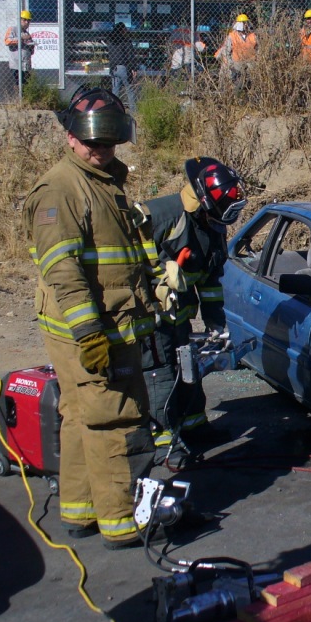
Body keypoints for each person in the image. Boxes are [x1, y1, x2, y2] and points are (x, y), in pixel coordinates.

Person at [23, 87, 157, 549]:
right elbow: (62, 271)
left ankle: (79, 511)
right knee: (112, 415)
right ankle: (120, 520)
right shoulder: (60, 190)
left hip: (107, 321)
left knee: (80, 414)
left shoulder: (103, 182)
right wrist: (89, 334)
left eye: (110, 142)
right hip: (91, 328)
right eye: (94, 143)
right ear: (71, 137)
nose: (103, 151)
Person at [133, 157, 247, 460]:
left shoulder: (214, 223)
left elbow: (210, 279)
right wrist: (160, 276)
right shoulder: (160, 216)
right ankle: (164, 444)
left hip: (179, 316)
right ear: (203, 199)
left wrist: (215, 326)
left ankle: (195, 426)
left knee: (187, 366)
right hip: (151, 318)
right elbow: (126, 263)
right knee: (161, 374)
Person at [214, 14, 258, 88]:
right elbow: (225, 52)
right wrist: (231, 65)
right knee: (235, 85)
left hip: (250, 64)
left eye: (246, 23)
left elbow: (258, 49)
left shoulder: (253, 35)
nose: (246, 25)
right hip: (236, 64)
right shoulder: (232, 36)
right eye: (244, 23)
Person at [107, 23, 137, 110]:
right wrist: (133, 68)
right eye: (125, 29)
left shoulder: (111, 41)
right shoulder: (125, 41)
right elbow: (130, 55)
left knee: (115, 92)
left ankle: (114, 110)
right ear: (122, 30)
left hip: (114, 68)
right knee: (130, 91)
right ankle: (133, 112)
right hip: (123, 68)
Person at [4, 10, 35, 91]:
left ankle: (25, 101)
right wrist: (20, 38)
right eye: (24, 20)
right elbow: (7, 41)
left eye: (28, 20)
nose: (27, 22)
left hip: (26, 65)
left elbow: (31, 51)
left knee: (26, 86)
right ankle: (19, 100)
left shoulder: (27, 34)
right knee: (19, 85)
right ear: (20, 20)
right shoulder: (13, 29)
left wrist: (32, 46)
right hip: (16, 64)